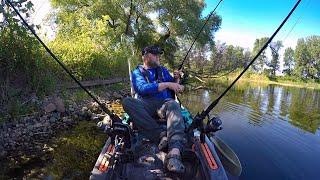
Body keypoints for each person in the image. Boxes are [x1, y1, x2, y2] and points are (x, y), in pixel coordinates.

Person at [122, 45, 186, 173]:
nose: (158, 56)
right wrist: (167, 84)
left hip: (165, 105)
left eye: (159, 54)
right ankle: (160, 136)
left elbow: (177, 87)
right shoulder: (137, 72)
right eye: (155, 54)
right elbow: (142, 89)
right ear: (145, 56)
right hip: (146, 105)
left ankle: (174, 152)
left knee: (173, 104)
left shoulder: (163, 70)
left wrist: (177, 80)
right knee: (127, 102)